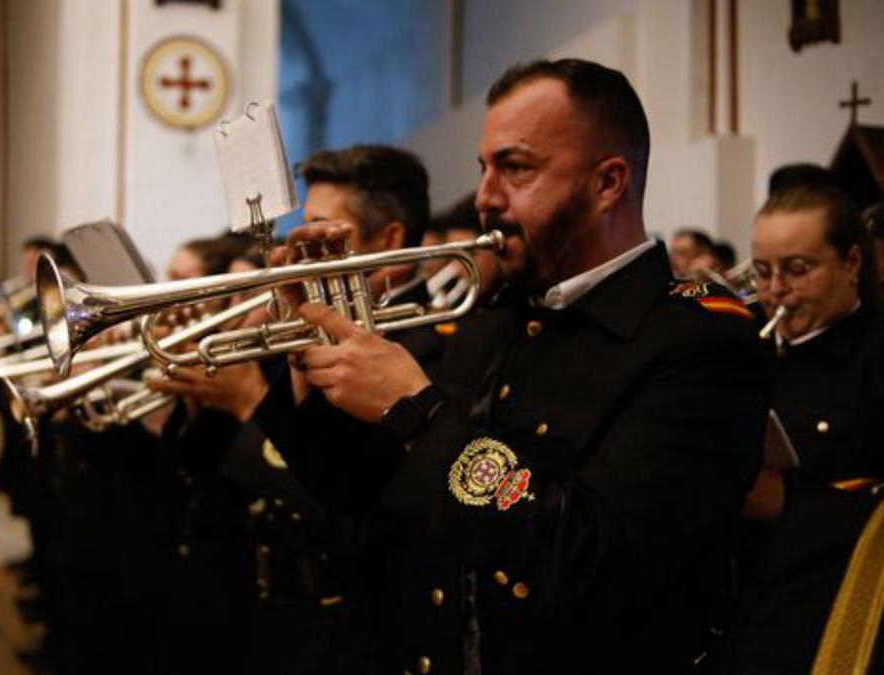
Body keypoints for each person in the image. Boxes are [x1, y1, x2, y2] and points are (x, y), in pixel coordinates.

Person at [254, 58, 770, 673]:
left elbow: (594, 562)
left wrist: (418, 412)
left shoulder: (699, 341)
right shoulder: (495, 317)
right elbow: (374, 501)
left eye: (516, 168)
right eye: (484, 168)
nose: (485, 197)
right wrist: (311, 357)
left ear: (608, 183)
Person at [149, 145, 454, 675]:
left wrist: (248, 403)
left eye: (324, 233)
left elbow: (358, 511)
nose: (301, 250)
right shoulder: (304, 318)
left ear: (390, 241)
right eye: (303, 232)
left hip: (359, 623)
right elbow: (209, 470)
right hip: (270, 597)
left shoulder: (437, 345)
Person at [722, 183, 884, 673]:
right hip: (735, 593)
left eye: (798, 270)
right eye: (763, 271)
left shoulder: (875, 355)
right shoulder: (738, 341)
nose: (775, 291)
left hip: (826, 606)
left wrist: (788, 502)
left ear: (851, 263)